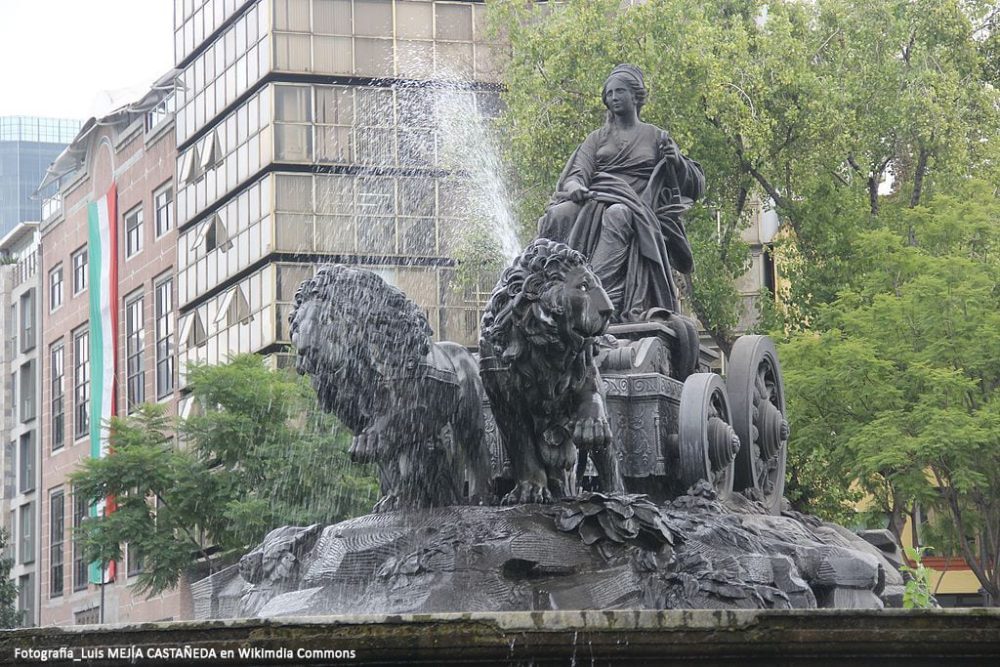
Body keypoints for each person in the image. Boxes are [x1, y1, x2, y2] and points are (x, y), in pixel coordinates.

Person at [537, 64, 705, 321]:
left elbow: (693, 186)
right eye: (610, 93)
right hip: (597, 198)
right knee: (556, 215)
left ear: (636, 96)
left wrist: (677, 160)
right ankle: (547, 291)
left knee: (618, 214)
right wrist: (576, 188)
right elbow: (577, 173)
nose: (613, 98)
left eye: (620, 92)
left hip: (637, 206)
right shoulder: (597, 138)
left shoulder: (656, 136)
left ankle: (593, 292)